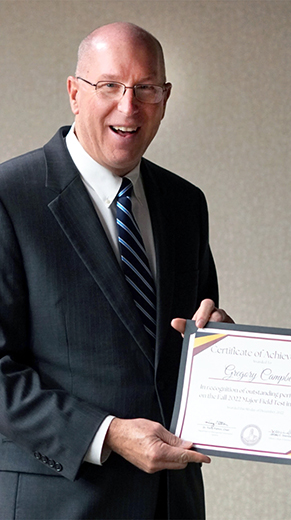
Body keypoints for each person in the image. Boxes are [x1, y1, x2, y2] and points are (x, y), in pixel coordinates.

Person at [0, 22, 231, 519]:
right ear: (74, 93)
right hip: (61, 501)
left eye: (145, 89)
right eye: (109, 86)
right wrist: (105, 433)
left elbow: (192, 337)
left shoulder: (186, 204)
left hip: (173, 503)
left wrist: (223, 348)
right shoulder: (9, 197)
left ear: (164, 98)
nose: (129, 107)